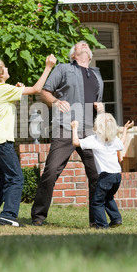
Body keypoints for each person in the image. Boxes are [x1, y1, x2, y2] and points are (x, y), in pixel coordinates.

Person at [0, 54, 57, 227]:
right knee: (16, 178)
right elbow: (36, 89)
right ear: (0, 74)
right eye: (4, 67)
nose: (7, 69)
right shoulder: (2, 89)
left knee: (4, 179)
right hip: (2, 141)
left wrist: (17, 89)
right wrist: (48, 67)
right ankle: (8, 216)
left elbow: (8, 104)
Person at [31, 41, 104, 226]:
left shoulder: (96, 75)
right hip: (65, 127)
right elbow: (45, 93)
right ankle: (38, 217)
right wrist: (55, 102)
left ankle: (97, 221)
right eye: (80, 44)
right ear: (74, 55)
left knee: (96, 176)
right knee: (51, 171)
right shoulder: (63, 69)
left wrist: (99, 107)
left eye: (86, 44)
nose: (85, 44)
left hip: (89, 131)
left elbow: (97, 101)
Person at [71, 114, 134, 229]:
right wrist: (125, 129)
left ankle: (102, 225)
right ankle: (116, 219)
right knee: (108, 197)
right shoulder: (114, 140)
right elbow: (122, 142)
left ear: (97, 127)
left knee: (97, 202)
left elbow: (76, 142)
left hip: (106, 176)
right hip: (117, 176)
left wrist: (74, 128)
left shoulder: (95, 140)